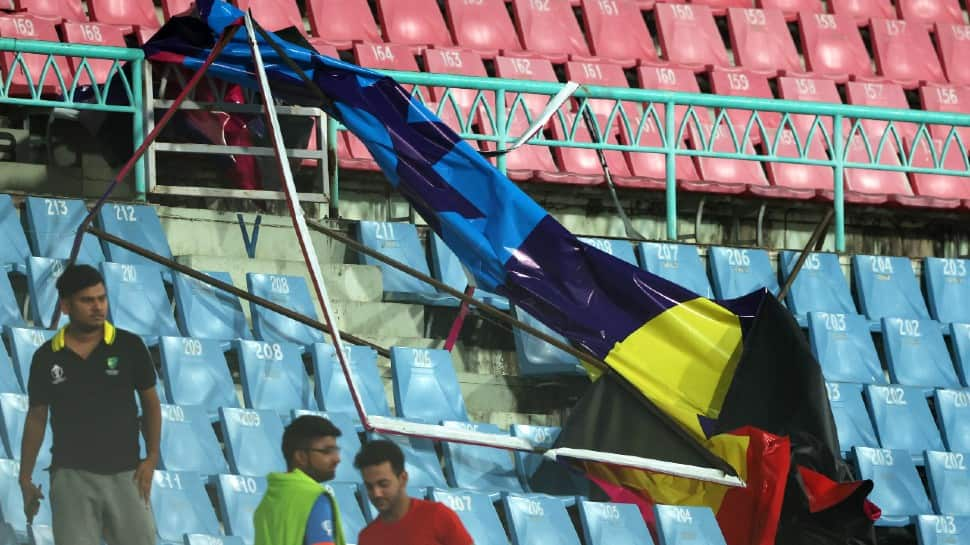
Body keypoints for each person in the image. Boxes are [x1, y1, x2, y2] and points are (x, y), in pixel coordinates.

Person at [19, 264, 161, 545]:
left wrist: (152, 456)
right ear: (66, 305)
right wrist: (25, 476)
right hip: (71, 477)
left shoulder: (129, 346)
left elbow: (151, 404)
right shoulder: (46, 357)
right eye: (88, 300)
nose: (98, 307)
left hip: (126, 475)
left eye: (102, 298)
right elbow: (36, 417)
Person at [355, 440, 473, 545]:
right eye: (369, 486)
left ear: (403, 479)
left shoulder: (438, 516)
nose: (376, 493)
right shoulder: (367, 538)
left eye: (383, 484)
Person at [253, 414, 346, 545]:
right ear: (301, 456)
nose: (337, 459)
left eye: (336, 450)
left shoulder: (265, 504)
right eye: (327, 451)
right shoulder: (315, 498)